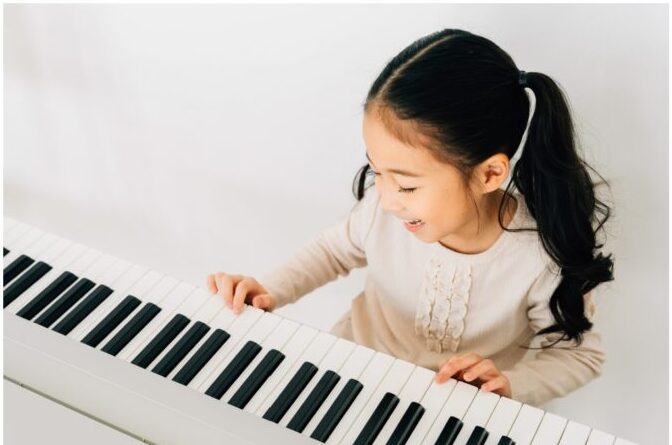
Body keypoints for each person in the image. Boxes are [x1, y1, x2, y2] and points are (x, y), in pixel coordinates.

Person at [206, 28, 614, 407]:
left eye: (406, 186)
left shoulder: (539, 259)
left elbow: (580, 357)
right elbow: (332, 251)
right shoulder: (385, 213)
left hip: (444, 409)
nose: (385, 200)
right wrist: (269, 289)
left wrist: (509, 384)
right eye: (376, 172)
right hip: (350, 373)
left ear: (490, 173)